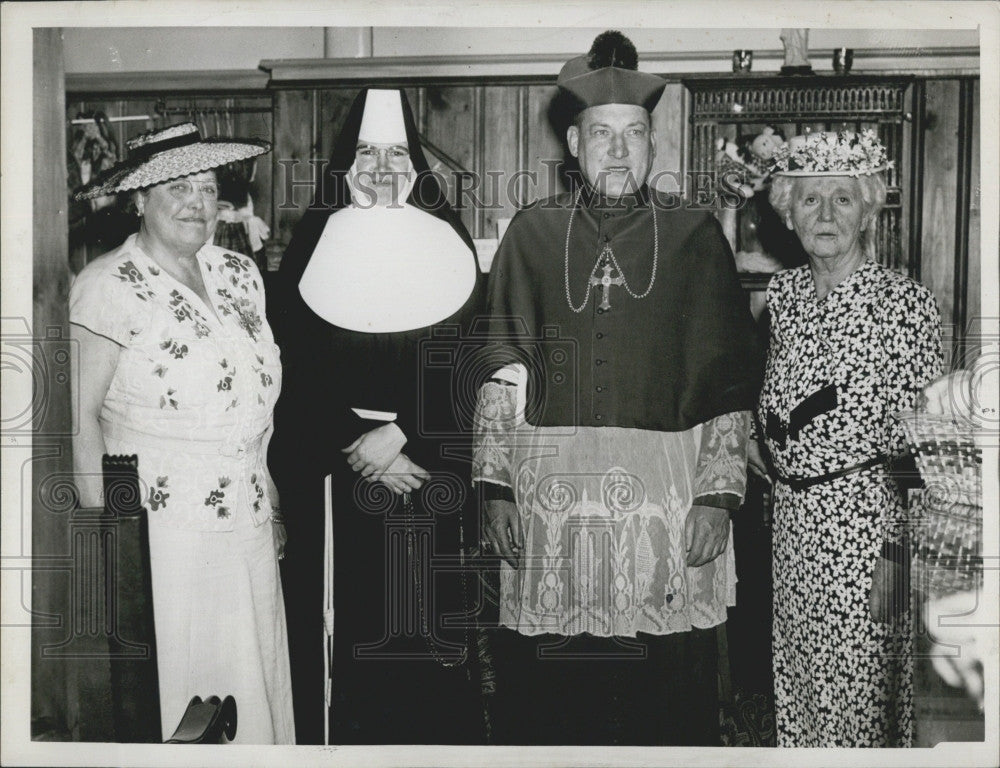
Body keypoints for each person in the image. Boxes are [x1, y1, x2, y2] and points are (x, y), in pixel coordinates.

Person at [473, 31, 763, 746]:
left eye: (633, 134)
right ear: (574, 143)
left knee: (662, 684)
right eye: (602, 134)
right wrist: (495, 487)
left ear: (652, 144)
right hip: (551, 499)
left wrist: (718, 497)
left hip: (663, 501)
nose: (618, 150)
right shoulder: (530, 234)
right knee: (552, 685)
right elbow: (498, 369)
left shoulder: (694, 234)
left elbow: (728, 378)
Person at [271, 88, 486, 744]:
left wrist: (404, 436)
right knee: (349, 647)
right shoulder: (311, 245)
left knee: (426, 644)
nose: (382, 166)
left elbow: (472, 360)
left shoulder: (453, 246)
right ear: (345, 163)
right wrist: (354, 441)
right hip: (339, 479)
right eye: (366, 151)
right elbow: (289, 369)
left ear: (418, 165)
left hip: (428, 477)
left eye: (397, 152)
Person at [69, 122, 294, 744]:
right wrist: (109, 550)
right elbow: (75, 420)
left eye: (207, 184)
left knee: (250, 686)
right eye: (177, 187)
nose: (198, 200)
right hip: (161, 536)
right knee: (183, 690)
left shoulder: (240, 273)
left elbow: (254, 403)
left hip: (246, 526)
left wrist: (270, 500)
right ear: (138, 200)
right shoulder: (106, 287)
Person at [747, 129, 944, 746]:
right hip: (792, 527)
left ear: (867, 210)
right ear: (788, 212)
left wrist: (899, 556)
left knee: (861, 705)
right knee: (800, 691)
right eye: (809, 200)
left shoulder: (905, 304)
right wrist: (759, 439)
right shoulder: (783, 296)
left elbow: (929, 447)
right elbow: (777, 398)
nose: (826, 214)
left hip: (869, 536)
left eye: (843, 198)